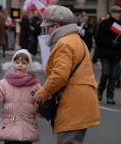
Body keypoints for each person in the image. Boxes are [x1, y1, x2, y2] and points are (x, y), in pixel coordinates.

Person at [36, 5, 100, 144]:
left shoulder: (64, 43)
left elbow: (59, 76)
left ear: (56, 25)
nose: (46, 30)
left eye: (48, 27)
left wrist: (42, 93)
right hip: (80, 100)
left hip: (74, 102)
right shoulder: (75, 39)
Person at [0, 49, 41, 144]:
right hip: (9, 126)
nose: (20, 65)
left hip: (27, 126)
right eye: (17, 62)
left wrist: (41, 105)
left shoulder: (35, 85)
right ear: (12, 63)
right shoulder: (4, 83)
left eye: (24, 63)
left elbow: (40, 102)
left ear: (29, 65)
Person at [95, 5, 121, 104]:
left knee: (113, 77)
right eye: (117, 12)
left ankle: (110, 96)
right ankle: (100, 92)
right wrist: (110, 42)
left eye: (120, 13)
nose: (119, 14)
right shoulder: (104, 24)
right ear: (111, 13)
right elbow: (98, 38)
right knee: (105, 73)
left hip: (116, 55)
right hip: (105, 54)